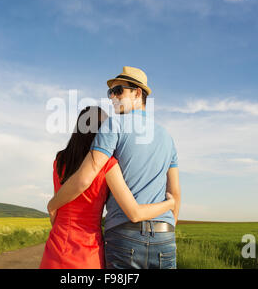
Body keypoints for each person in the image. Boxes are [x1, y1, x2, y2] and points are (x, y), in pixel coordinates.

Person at [47, 66, 181, 269]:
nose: (112, 97)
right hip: (165, 236)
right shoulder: (167, 137)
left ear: (137, 93)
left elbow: (85, 177)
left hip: (124, 235)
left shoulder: (114, 125)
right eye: (110, 92)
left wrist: (52, 205)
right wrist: (166, 229)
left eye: (118, 91)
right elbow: (175, 194)